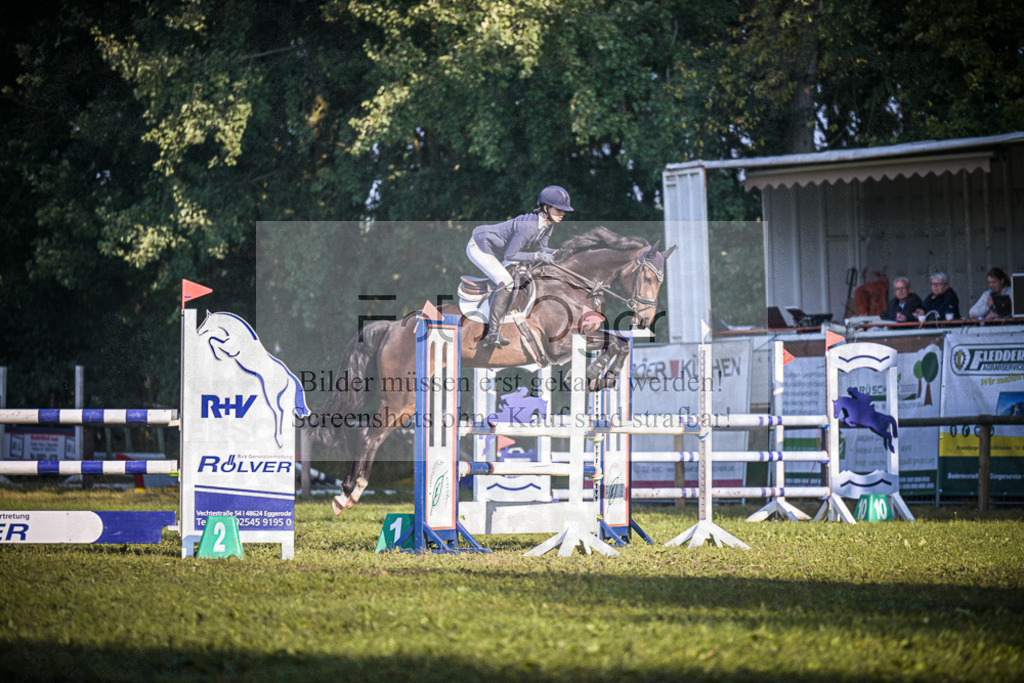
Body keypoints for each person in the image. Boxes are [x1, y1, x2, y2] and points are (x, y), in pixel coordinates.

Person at [467, 185, 573, 348]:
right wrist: (537, 257)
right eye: (559, 209)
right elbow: (511, 255)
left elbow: (541, 249)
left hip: (499, 250)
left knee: (521, 276)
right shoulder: (528, 226)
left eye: (563, 210)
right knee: (506, 282)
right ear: (546, 207)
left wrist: (561, 252)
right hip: (480, 247)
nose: (563, 213)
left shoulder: (547, 225)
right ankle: (492, 334)